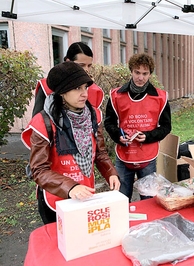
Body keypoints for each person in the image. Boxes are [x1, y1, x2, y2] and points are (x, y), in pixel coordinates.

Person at [21, 61, 120, 224]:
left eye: (85, 87)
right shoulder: (44, 122)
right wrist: (71, 187)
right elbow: (38, 170)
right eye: (77, 88)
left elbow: (100, 153)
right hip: (55, 200)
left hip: (86, 195)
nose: (84, 94)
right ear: (61, 92)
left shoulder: (93, 115)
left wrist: (110, 172)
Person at [104, 53, 171, 202]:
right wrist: (118, 136)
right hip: (124, 155)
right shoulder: (116, 96)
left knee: (148, 200)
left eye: (145, 73)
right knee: (120, 199)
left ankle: (148, 225)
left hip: (148, 156)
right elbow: (109, 123)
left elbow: (166, 127)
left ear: (150, 74)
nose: (140, 77)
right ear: (131, 71)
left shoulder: (160, 97)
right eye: (137, 72)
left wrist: (148, 136)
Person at [32, 42, 104, 117]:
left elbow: (96, 122)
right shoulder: (46, 86)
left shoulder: (95, 90)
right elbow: (37, 119)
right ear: (68, 61)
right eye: (81, 65)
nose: (86, 70)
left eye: (89, 66)